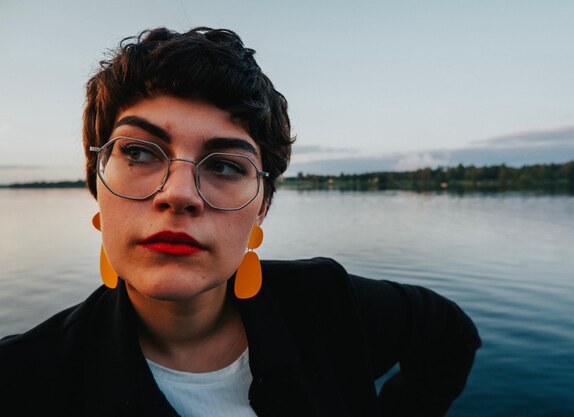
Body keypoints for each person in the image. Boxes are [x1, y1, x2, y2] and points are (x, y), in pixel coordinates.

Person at [0, 27, 481, 416]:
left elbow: (451, 334)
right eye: (140, 152)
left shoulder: (331, 306)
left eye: (226, 165)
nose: (179, 194)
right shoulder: (24, 378)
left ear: (263, 206)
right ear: (97, 185)